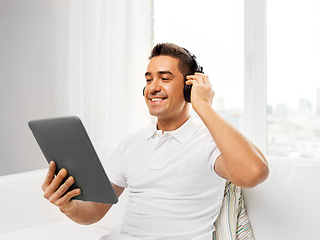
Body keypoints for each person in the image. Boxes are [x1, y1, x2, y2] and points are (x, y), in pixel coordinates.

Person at [41, 43, 269, 239]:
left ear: (189, 87)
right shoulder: (131, 144)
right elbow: (95, 211)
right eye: (149, 79)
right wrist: (67, 205)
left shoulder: (208, 143)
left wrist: (204, 106)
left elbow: (254, 172)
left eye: (165, 78)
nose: (153, 87)